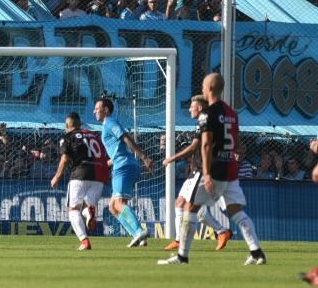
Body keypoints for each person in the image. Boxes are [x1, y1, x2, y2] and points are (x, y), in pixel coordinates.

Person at [159, 73, 266, 266]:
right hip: (229, 169)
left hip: (213, 168)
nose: (201, 89)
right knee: (237, 212)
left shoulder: (207, 114)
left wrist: (207, 174)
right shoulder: (232, 113)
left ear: (208, 88)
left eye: (202, 85)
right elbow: (238, 142)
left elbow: (206, 145)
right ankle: (256, 252)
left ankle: (182, 256)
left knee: (189, 209)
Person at [160, 95, 231, 251]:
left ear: (199, 108)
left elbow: (194, 147)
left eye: (192, 107)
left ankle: (219, 232)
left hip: (203, 171)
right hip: (197, 170)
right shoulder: (208, 121)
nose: (189, 109)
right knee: (182, 204)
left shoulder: (205, 121)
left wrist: (171, 158)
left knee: (191, 208)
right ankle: (218, 232)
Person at [93, 96, 154, 247]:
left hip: (124, 166)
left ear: (106, 110)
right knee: (113, 207)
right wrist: (103, 165)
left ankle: (139, 231)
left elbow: (126, 138)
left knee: (119, 203)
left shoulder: (110, 122)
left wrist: (144, 156)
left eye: (97, 108)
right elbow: (117, 151)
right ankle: (138, 236)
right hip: (122, 164)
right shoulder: (106, 126)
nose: (94, 111)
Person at [50, 111, 109, 251]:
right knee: (85, 207)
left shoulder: (68, 137)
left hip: (80, 174)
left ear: (67, 125)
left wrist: (57, 177)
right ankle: (89, 212)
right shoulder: (94, 136)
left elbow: (65, 159)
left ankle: (84, 241)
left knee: (73, 210)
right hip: (99, 176)